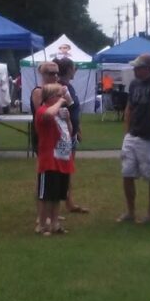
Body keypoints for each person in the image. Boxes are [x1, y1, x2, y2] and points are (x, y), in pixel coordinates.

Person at [117, 53, 150, 224]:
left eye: (138, 67)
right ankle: (130, 212)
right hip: (132, 135)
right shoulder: (134, 84)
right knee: (127, 173)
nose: (134, 70)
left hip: (149, 138)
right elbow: (129, 107)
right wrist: (127, 131)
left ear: (147, 68)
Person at [35, 83, 74, 236]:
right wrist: (60, 102)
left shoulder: (59, 112)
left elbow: (69, 132)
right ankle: (42, 225)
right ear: (51, 97)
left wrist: (68, 120)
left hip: (62, 159)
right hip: (49, 160)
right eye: (59, 95)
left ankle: (55, 224)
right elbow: (48, 115)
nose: (62, 98)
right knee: (46, 196)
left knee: (57, 195)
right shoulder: (43, 110)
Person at [54, 57, 89, 214]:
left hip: (71, 134)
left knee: (67, 170)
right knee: (59, 170)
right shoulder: (60, 88)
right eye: (74, 67)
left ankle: (69, 202)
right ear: (69, 69)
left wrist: (77, 128)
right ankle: (55, 205)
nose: (76, 70)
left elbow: (73, 109)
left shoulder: (69, 86)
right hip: (63, 135)